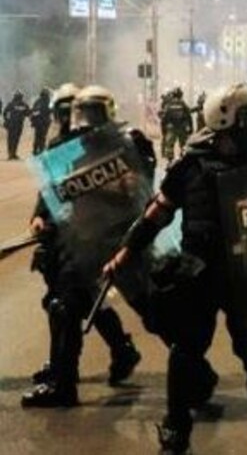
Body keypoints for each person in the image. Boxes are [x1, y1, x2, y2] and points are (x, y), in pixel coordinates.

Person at [103, 84, 247, 454]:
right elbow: (156, 215)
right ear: (223, 119)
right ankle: (177, 429)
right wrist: (125, 253)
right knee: (186, 351)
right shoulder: (191, 165)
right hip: (199, 271)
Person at [22, 85, 154, 408]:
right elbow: (51, 191)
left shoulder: (122, 141)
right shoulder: (61, 148)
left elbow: (143, 183)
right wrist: (41, 217)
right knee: (65, 303)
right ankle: (64, 378)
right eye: (64, 112)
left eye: (76, 111)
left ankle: (191, 369)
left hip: (121, 237)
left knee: (155, 305)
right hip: (79, 238)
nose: (70, 118)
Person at [159, 88, 194, 163]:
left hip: (171, 128)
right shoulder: (182, 103)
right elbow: (188, 116)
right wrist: (191, 128)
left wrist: (163, 129)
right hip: (182, 127)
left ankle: (170, 161)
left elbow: (164, 118)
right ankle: (183, 159)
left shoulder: (169, 104)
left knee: (169, 145)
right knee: (184, 145)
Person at [4, 89, 30, 160]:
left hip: (12, 125)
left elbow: (5, 113)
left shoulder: (11, 104)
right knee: (15, 139)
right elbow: (28, 114)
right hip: (17, 125)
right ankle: (12, 154)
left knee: (11, 139)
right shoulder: (24, 105)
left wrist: (7, 121)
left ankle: (12, 154)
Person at [30, 88, 52, 155]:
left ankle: (36, 150)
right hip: (43, 122)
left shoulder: (37, 101)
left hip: (40, 122)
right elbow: (52, 110)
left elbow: (33, 111)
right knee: (42, 137)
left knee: (38, 136)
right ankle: (40, 150)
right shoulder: (48, 102)